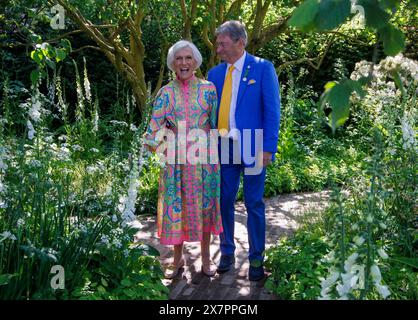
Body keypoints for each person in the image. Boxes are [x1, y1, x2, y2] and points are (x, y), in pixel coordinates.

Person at [208, 21, 281, 281]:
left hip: (253, 144)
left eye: (222, 43)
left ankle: (256, 259)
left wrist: (268, 149)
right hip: (224, 146)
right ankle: (227, 251)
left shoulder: (263, 68)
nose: (218, 48)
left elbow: (272, 112)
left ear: (240, 42)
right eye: (217, 44)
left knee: (253, 203)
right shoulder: (214, 74)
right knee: (224, 200)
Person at [143, 40, 222, 279]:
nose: (184, 63)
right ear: (173, 64)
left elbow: (218, 124)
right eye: (179, 59)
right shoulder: (166, 92)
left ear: (196, 62)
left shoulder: (209, 89)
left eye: (188, 58)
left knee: (205, 209)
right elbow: (155, 126)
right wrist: (153, 146)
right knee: (177, 209)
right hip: (176, 162)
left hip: (205, 162)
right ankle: (177, 261)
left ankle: (206, 259)